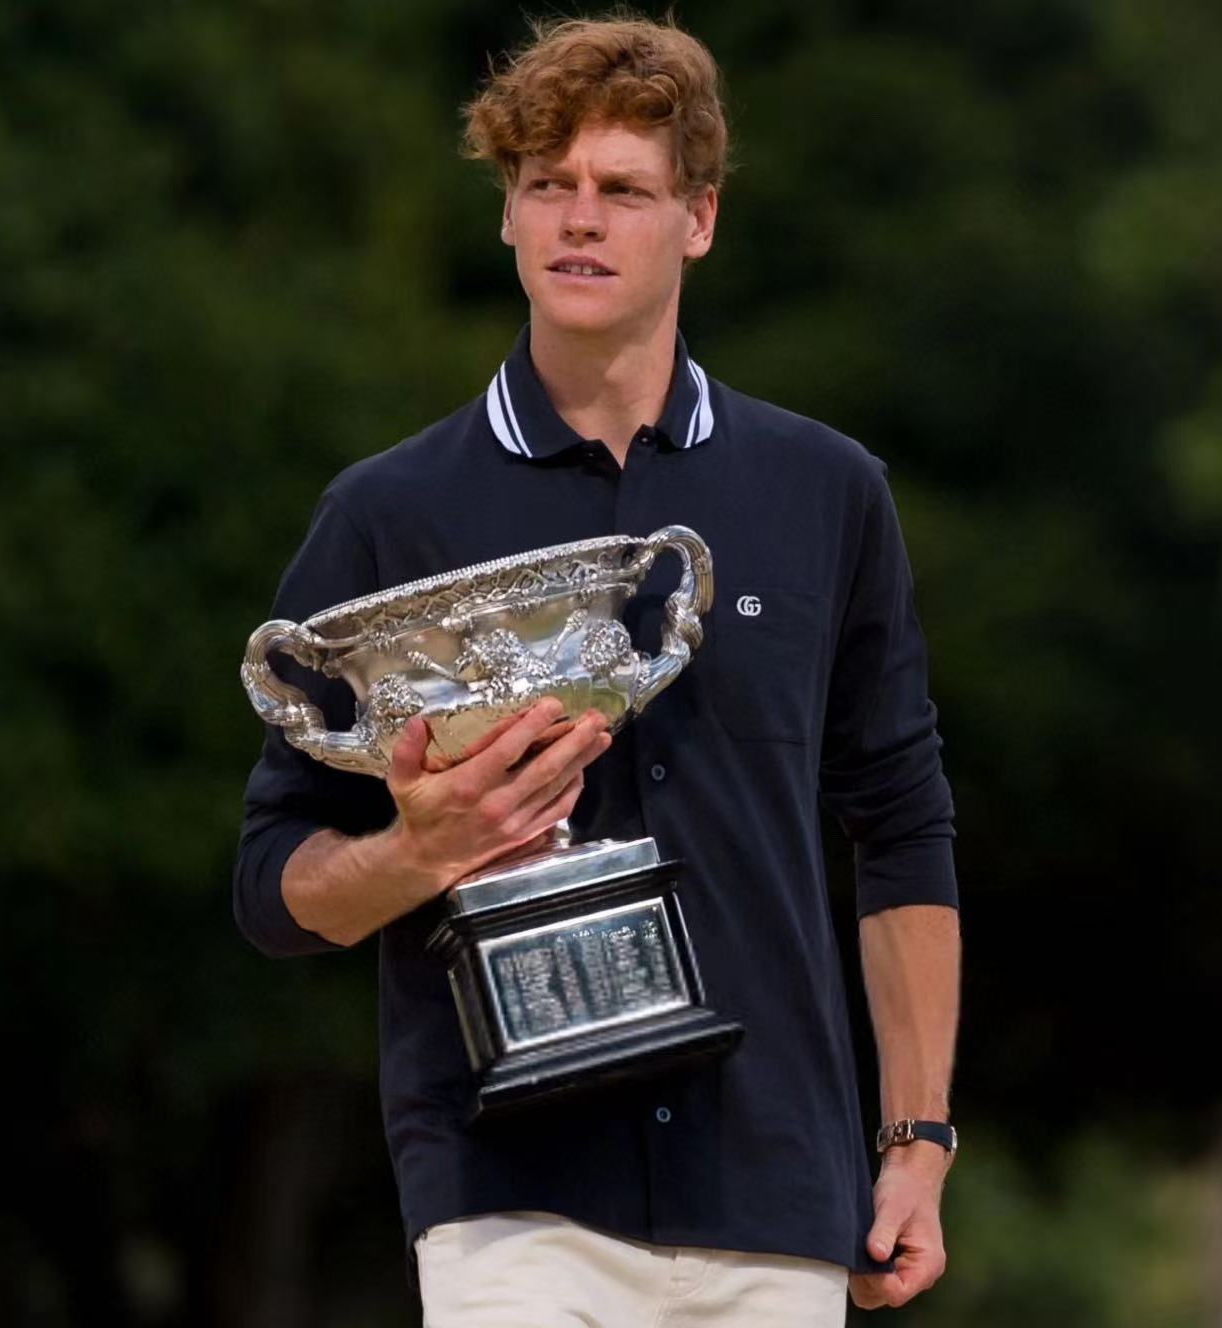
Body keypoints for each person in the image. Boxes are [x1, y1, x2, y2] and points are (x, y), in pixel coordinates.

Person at [235, 15, 960, 1326]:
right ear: (508, 218)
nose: (580, 218)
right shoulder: (388, 513)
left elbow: (901, 826)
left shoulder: (827, 492)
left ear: (699, 218)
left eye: (622, 189)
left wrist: (915, 1143)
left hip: (776, 1192)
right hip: (507, 1197)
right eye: (546, 184)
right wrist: (419, 850)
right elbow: (273, 889)